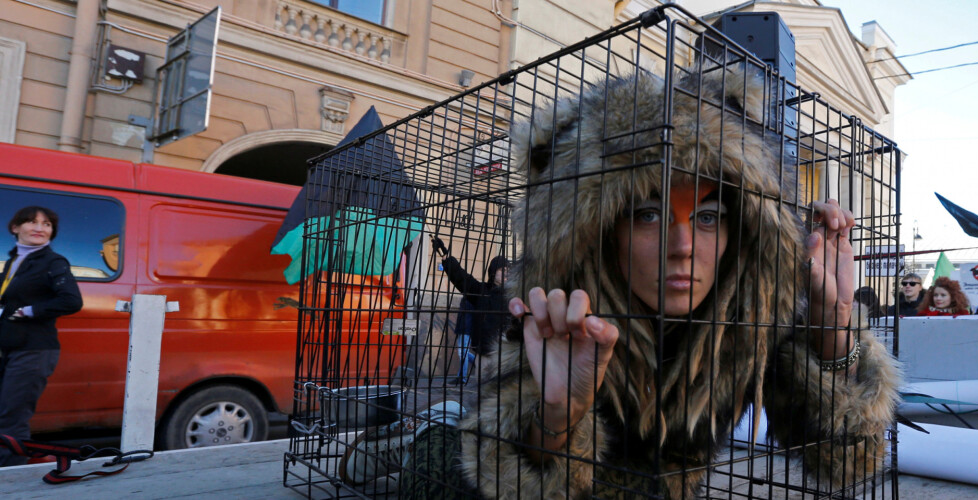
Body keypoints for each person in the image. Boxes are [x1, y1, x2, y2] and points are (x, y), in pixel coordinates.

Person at [341, 67, 900, 499]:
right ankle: (404, 438)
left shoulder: (748, 325)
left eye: (707, 218)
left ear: (739, 230)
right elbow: (501, 478)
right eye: (648, 215)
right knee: (433, 457)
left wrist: (833, 328)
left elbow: (845, 460)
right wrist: (558, 417)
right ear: (601, 232)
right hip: (457, 452)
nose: (683, 247)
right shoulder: (558, 323)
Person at [0, 206, 83, 467]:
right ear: (15, 228)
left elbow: (71, 301)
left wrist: (31, 310)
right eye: (32, 222)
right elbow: (0, 304)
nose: (39, 228)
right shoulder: (12, 262)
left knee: (12, 420)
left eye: (46, 224)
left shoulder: (53, 262)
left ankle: (11, 481)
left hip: (33, 350)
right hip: (5, 350)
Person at [430, 236, 509, 359]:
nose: (507, 273)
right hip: (485, 353)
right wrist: (445, 256)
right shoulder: (481, 290)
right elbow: (462, 278)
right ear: (493, 272)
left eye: (509, 270)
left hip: (506, 354)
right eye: (503, 270)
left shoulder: (513, 294)